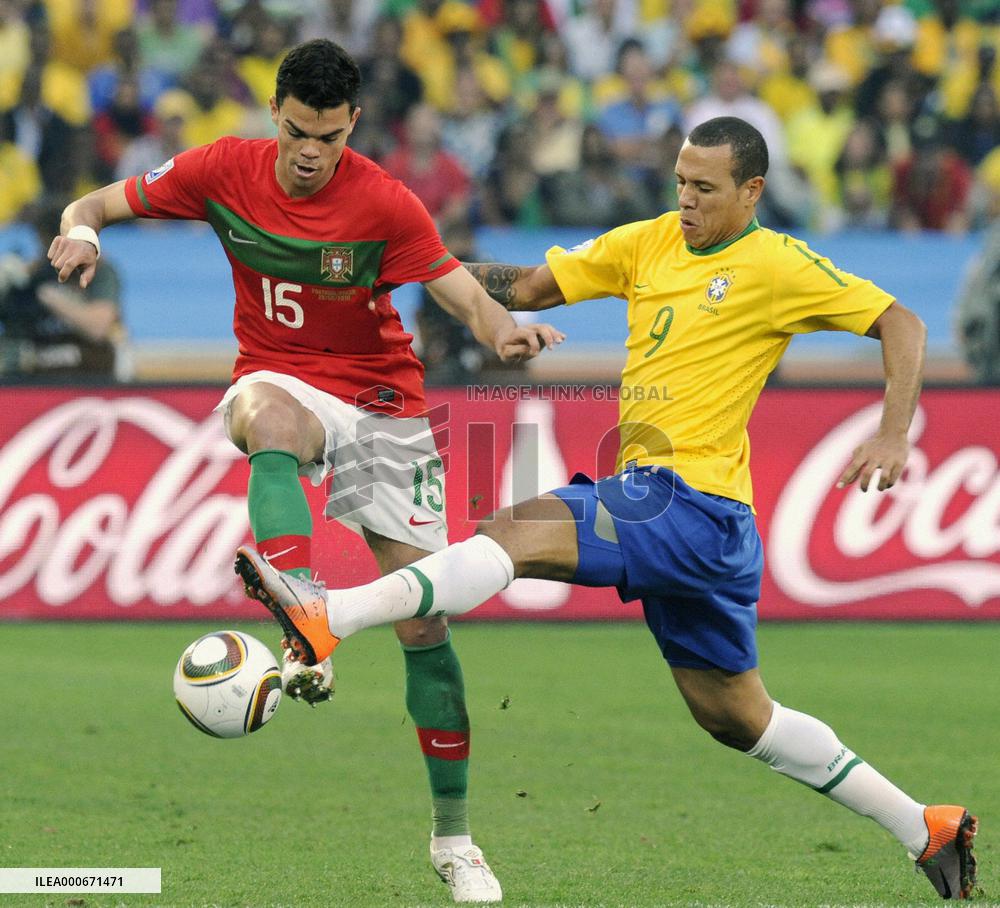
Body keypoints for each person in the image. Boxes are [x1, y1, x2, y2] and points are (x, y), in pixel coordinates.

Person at [235, 116, 979, 902]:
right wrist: (415, 265)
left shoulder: (778, 264)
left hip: (692, 502)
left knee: (513, 530)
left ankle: (331, 614)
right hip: (690, 523)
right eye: (680, 183)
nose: (686, 200)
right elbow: (524, 287)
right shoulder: (648, 241)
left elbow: (902, 321)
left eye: (705, 188)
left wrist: (893, 431)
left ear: (752, 191)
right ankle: (925, 825)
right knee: (735, 716)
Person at [47, 38, 563, 904]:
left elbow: (454, 287)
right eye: (296, 132)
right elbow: (95, 200)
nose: (311, 151)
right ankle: (301, 603)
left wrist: (498, 332)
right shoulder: (220, 169)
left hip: (383, 407)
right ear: (274, 116)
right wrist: (80, 230)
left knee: (425, 625)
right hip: (281, 374)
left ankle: (455, 839)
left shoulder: (385, 202)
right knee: (265, 417)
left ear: (352, 122)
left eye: (328, 135)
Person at [2, 195, 125, 379]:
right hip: (37, 363)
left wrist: (51, 296)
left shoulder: (98, 270)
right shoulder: (31, 273)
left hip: (90, 365)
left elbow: (98, 327)